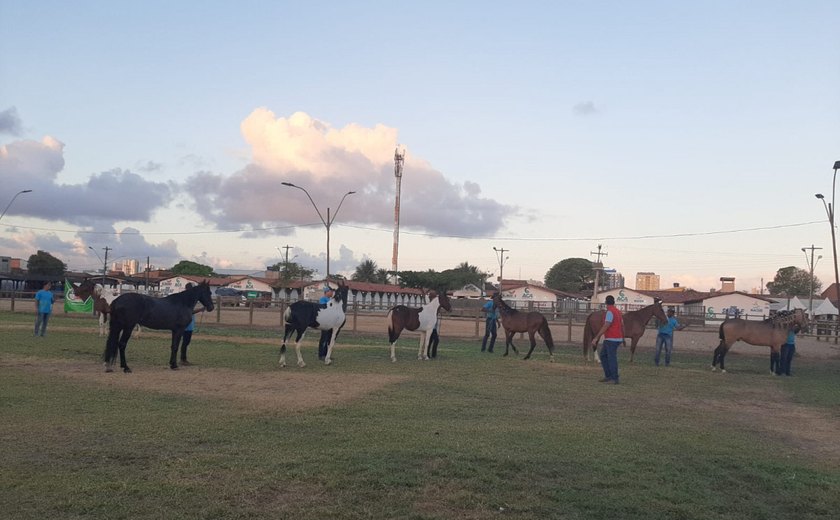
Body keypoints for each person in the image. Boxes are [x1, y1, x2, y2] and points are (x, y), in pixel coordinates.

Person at [591, 294, 624, 384]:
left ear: (606, 303)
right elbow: (622, 325)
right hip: (616, 338)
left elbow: (606, 325)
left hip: (611, 338)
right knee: (603, 356)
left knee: (611, 358)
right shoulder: (618, 311)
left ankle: (614, 377)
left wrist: (597, 337)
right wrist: (622, 337)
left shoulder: (610, 312)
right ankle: (609, 376)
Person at [179, 282, 203, 366]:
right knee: (185, 342)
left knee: (186, 342)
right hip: (187, 325)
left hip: (189, 324)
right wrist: (200, 310)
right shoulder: (186, 300)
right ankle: (183, 359)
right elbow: (189, 312)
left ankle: (183, 358)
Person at [318, 285, 334, 360]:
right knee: (324, 338)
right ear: (327, 292)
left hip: (330, 322)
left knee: (329, 338)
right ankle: (321, 354)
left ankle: (326, 354)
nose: (332, 293)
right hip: (324, 322)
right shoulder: (323, 299)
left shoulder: (331, 299)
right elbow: (323, 308)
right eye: (330, 291)